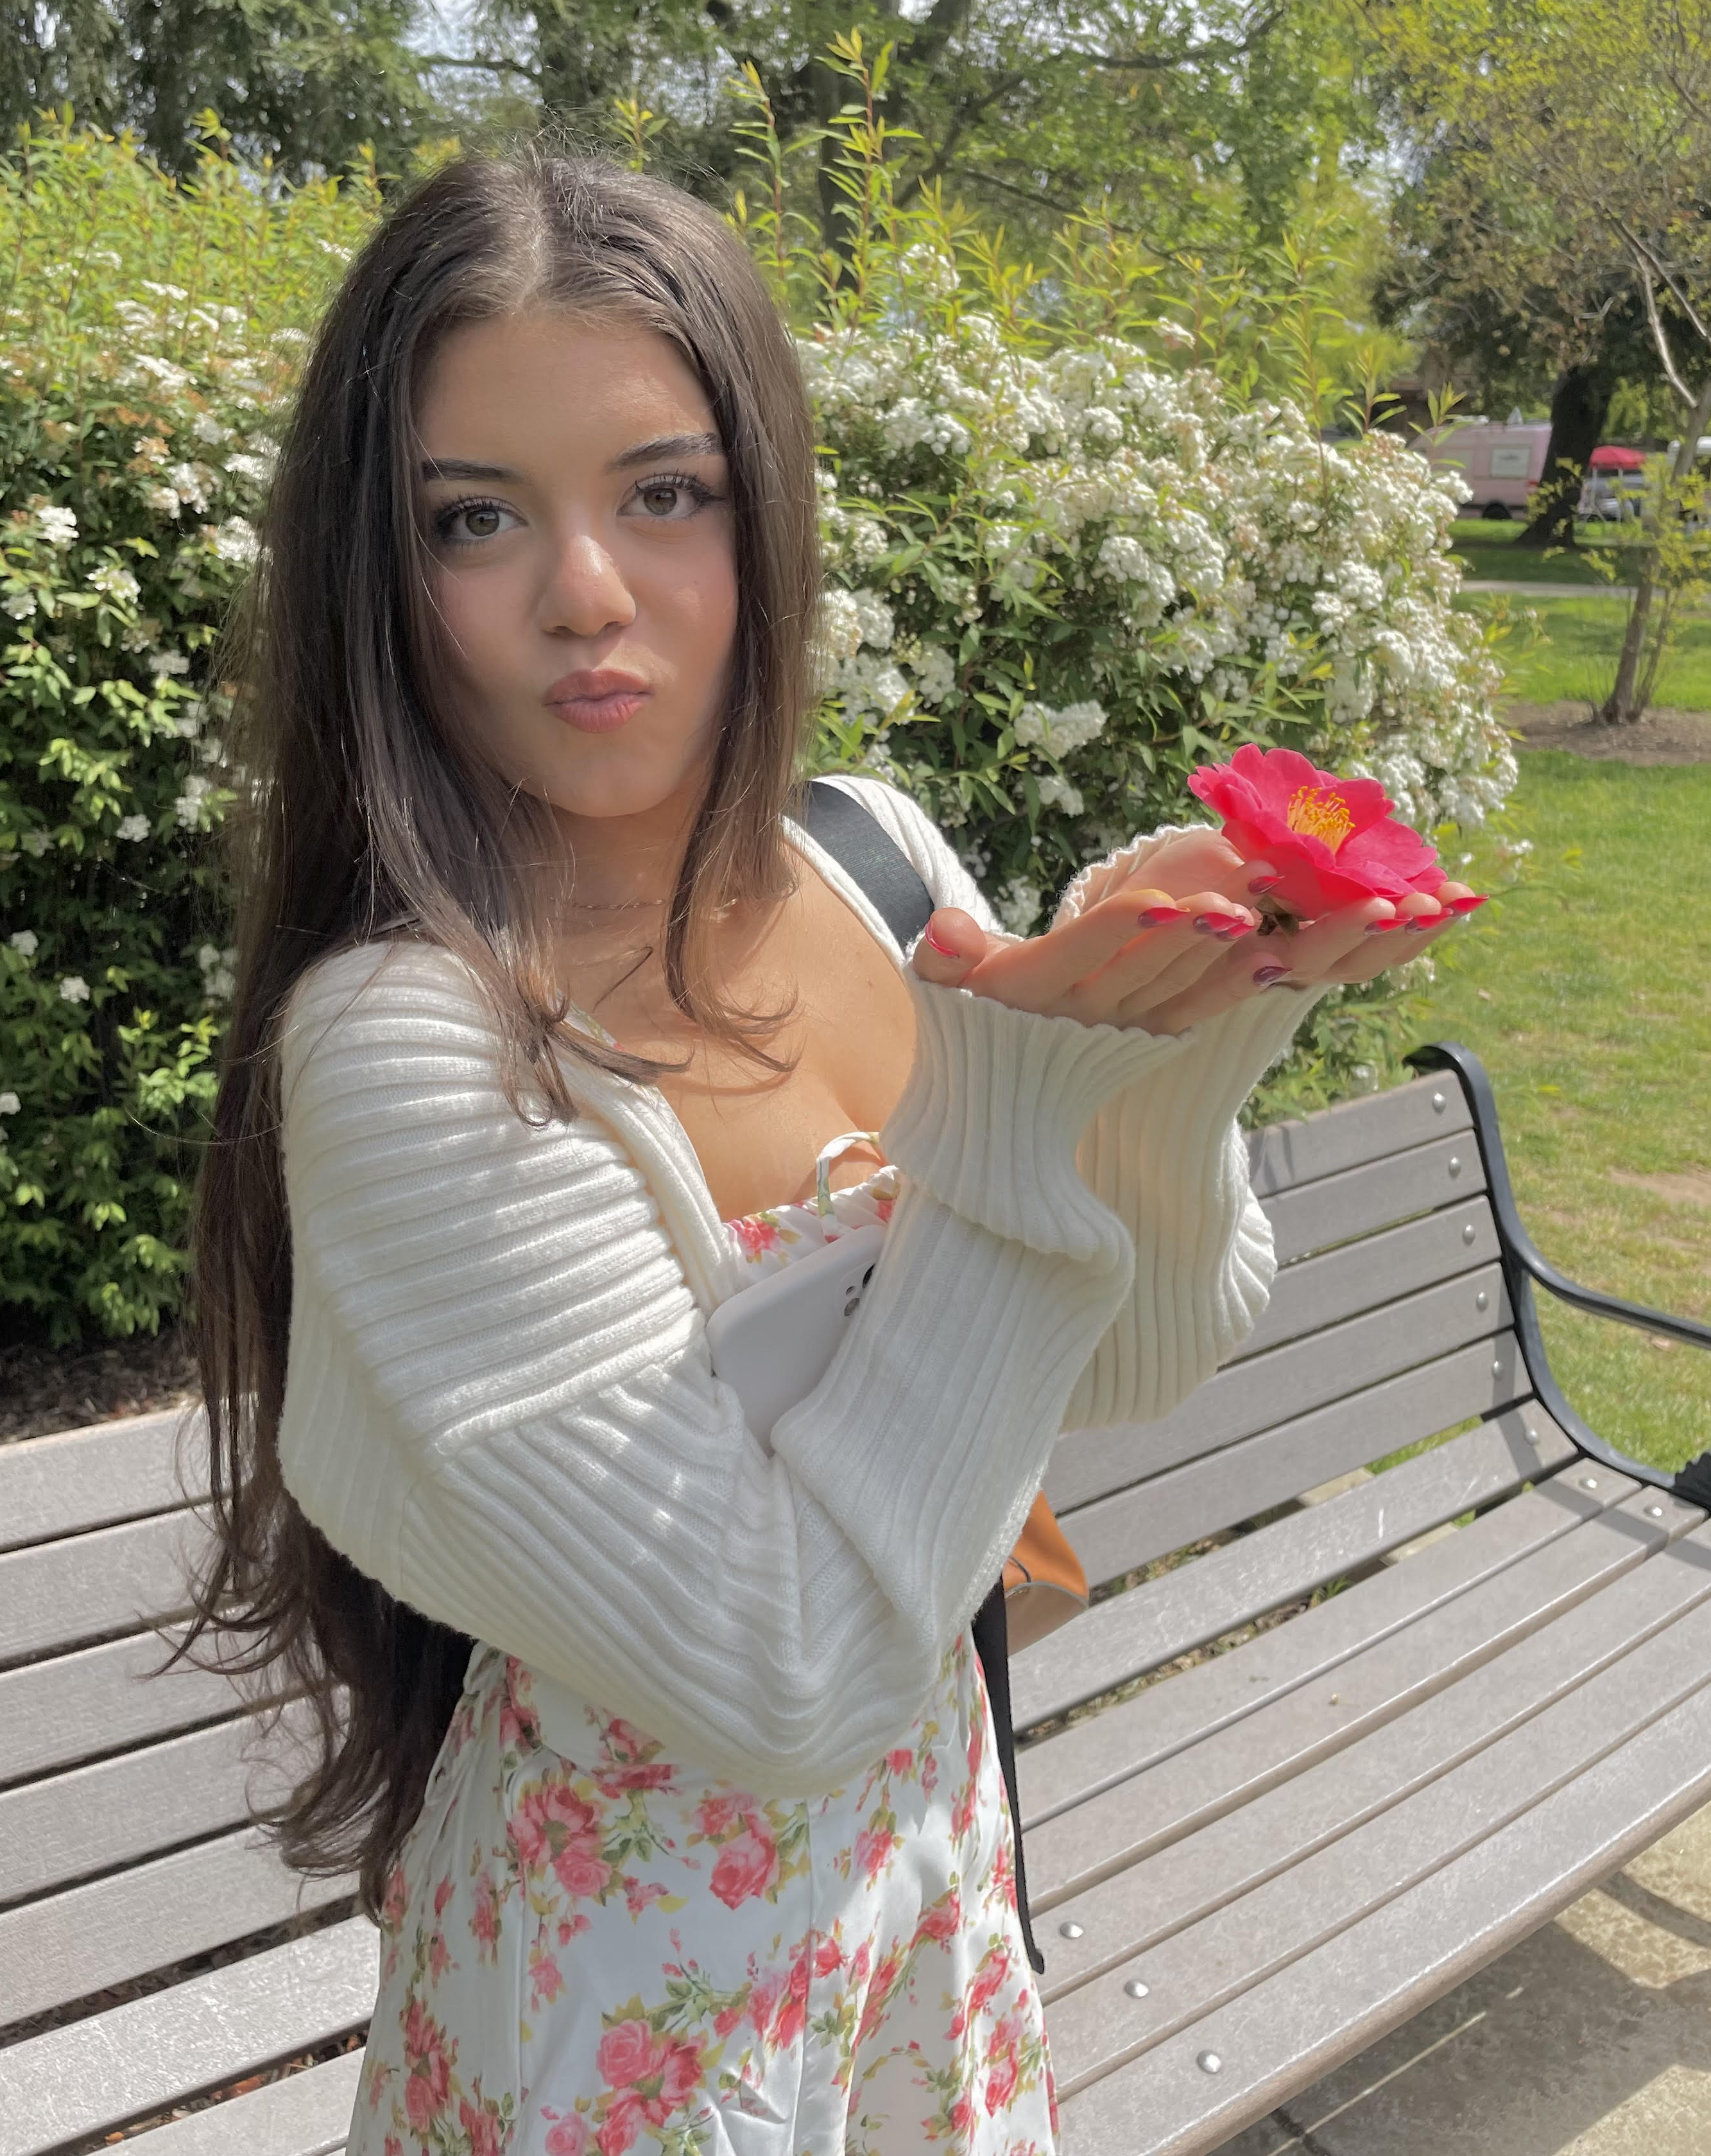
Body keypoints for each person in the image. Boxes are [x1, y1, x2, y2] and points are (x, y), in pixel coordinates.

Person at [182, 150, 1472, 2156]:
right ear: (380, 563)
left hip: (922, 1881)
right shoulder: (415, 1048)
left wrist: (1184, 1042)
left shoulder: (869, 860)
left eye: (663, 492)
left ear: (763, 507)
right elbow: (783, 1675)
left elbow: (1129, 1364)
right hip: (623, 1992)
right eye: (474, 518)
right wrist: (1020, 1103)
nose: (585, 592)